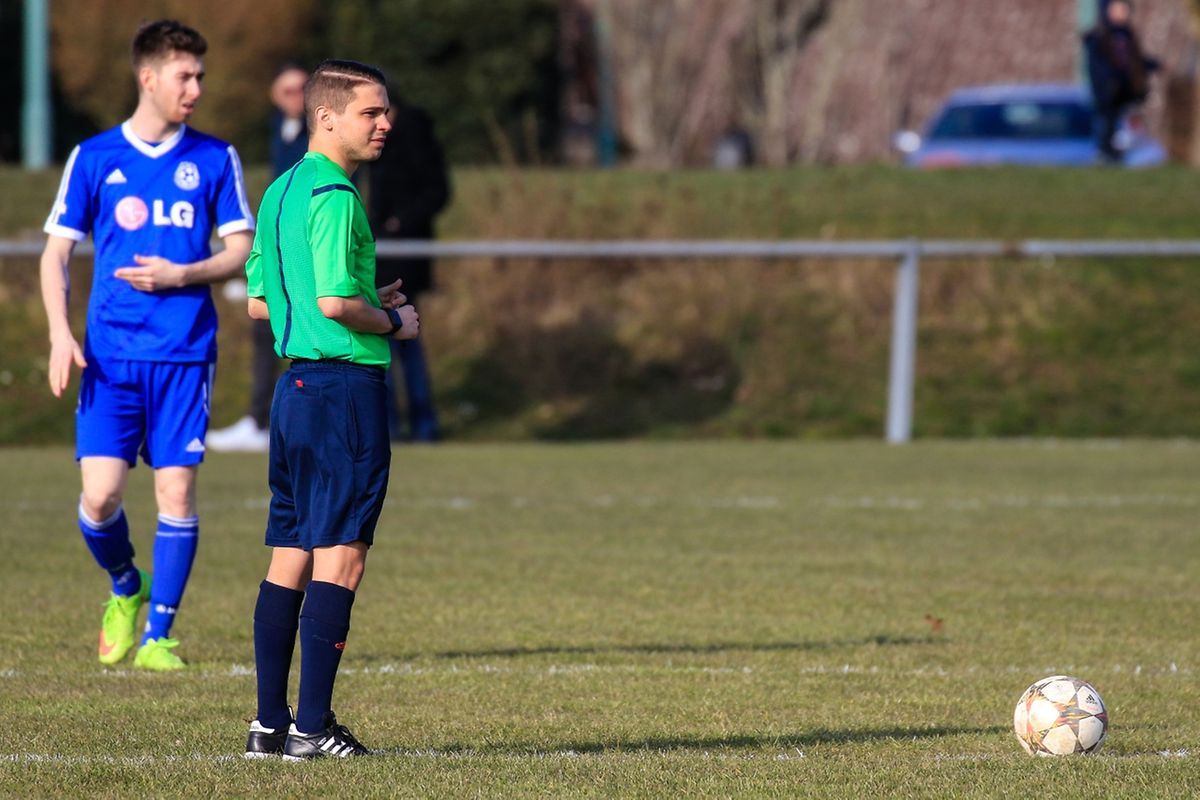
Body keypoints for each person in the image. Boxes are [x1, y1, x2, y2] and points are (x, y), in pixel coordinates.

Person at [39, 20, 254, 671]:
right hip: (110, 356)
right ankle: (126, 587)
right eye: (184, 76)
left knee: (177, 495)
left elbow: (241, 248)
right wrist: (58, 333)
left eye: (200, 77)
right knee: (100, 498)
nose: (195, 88)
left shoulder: (215, 159)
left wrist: (181, 275)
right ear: (149, 78)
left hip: (184, 354)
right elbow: (56, 254)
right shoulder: (96, 157)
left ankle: (160, 636)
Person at [242, 59, 419, 760]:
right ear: (328, 117)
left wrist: (364, 301)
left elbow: (261, 302)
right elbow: (337, 304)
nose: (384, 123)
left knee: (289, 553)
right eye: (371, 113)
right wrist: (394, 320)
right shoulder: (337, 195)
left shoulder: (282, 190)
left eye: (385, 112)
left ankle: (268, 725)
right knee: (340, 557)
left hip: (295, 395)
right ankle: (312, 728)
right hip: (343, 393)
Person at [208, 64, 309, 452]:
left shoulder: (316, 136)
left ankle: (283, 421)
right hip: (280, 242)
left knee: (306, 332)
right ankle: (261, 419)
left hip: (303, 245)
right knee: (266, 325)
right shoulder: (278, 130)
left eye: (301, 89)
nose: (294, 97)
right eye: (286, 90)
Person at [366, 98, 450, 442]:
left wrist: (398, 223)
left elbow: (438, 192)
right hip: (383, 252)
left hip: (401, 257)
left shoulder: (413, 137)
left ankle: (418, 423)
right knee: (391, 340)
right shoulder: (376, 146)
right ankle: (395, 424)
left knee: (401, 339)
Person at [1083, 0, 1160, 162]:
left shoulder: (1127, 35)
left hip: (1127, 91)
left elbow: (1134, 61)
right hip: (1108, 93)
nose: (1122, 13)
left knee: (1128, 127)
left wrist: (1153, 65)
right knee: (1107, 125)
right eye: (1118, 8)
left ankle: (1121, 156)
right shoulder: (1099, 36)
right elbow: (1098, 67)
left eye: (1125, 9)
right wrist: (1109, 83)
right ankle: (1106, 155)